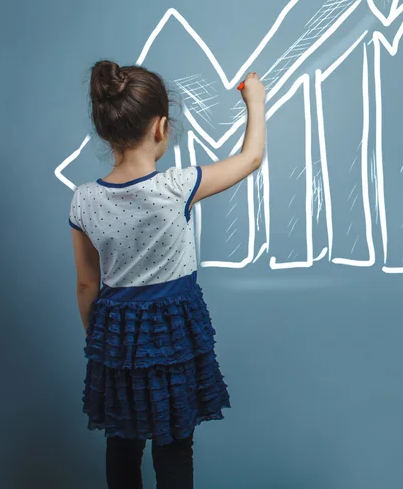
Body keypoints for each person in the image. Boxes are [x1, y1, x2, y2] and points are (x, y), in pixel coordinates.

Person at [68, 61, 266, 489]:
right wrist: (256, 100)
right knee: (174, 446)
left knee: (122, 444)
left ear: (105, 131)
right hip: (173, 335)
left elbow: (87, 283)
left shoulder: (82, 201)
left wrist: (99, 340)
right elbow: (251, 158)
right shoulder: (176, 186)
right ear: (161, 128)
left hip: (116, 336)